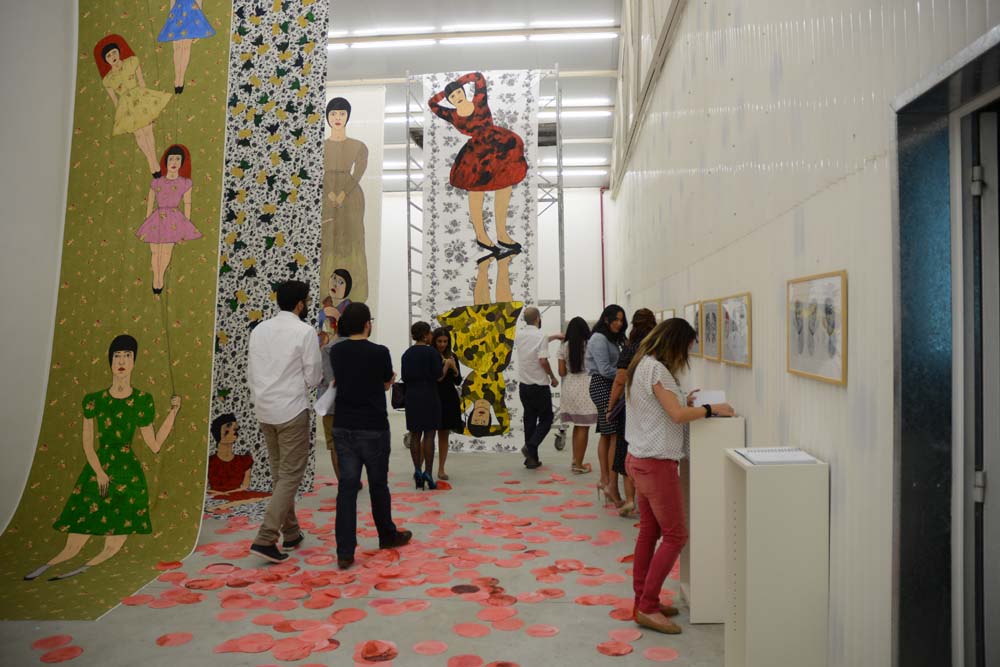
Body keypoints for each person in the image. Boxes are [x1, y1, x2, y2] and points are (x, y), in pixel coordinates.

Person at [24, 335, 180, 581]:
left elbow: (154, 445)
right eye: (117, 356)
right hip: (99, 467)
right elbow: (88, 444)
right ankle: (45, 567)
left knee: (113, 544)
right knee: (74, 541)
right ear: (110, 361)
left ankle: (78, 571)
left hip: (129, 476)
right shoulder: (94, 400)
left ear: (134, 362)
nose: (122, 361)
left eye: (127, 356)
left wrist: (173, 412)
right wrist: (99, 472)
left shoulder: (142, 400)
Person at [624, 318, 735, 634]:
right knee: (675, 536)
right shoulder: (657, 370)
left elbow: (659, 408)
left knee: (649, 532)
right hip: (655, 464)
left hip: (639, 458)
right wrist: (712, 409)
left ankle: (643, 600)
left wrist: (683, 402)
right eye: (687, 348)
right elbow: (676, 415)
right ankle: (647, 606)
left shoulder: (642, 365)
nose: (686, 355)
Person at [329, 303, 412, 569]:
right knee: (378, 485)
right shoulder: (380, 352)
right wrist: (387, 382)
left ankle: (345, 551)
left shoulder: (337, 351)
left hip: (344, 425)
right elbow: (386, 382)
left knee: (347, 489)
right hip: (373, 426)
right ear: (367, 324)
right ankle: (386, 535)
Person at [246, 280, 323, 563]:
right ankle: (266, 537)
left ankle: (291, 532)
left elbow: (252, 370)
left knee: (281, 474)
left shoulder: (259, 330)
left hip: (264, 409)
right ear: (300, 304)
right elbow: (314, 376)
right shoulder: (304, 331)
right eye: (308, 300)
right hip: (291, 409)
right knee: (290, 475)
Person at [428, 72, 528, 260]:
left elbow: (478, 77)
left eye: (459, 92)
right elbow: (432, 104)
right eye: (453, 96)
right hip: (476, 153)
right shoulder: (451, 114)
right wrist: (446, 91)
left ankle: (502, 234)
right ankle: (481, 235)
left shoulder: (479, 100)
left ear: (463, 91)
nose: (457, 96)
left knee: (505, 184)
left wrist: (458, 82)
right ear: (449, 100)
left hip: (497, 144)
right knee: (475, 190)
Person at [94, 35, 172, 176]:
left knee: (148, 131)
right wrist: (122, 117)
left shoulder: (131, 62)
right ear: (106, 60)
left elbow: (141, 82)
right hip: (126, 106)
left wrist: (148, 104)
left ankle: (154, 160)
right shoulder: (108, 79)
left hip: (139, 97)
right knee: (139, 135)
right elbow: (114, 100)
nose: (113, 57)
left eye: (114, 52)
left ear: (119, 52)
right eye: (108, 56)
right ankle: (151, 163)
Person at [606, 308, 657, 517]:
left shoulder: (630, 348)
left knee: (627, 449)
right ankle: (651, 499)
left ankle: (629, 500)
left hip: (632, 405)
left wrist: (610, 406)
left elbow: (620, 380)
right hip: (654, 405)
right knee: (649, 451)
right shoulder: (657, 347)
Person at [136, 145, 202, 294]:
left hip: (174, 219)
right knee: (155, 252)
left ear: (182, 162)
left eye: (178, 159)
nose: (174, 162)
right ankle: (156, 277)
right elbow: (150, 202)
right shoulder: (157, 182)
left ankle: (160, 277)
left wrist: (185, 225)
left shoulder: (185, 183)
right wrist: (147, 219)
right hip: (156, 218)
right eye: (171, 159)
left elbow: (187, 203)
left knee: (166, 252)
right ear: (165, 161)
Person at [323, 98, 370, 304]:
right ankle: (325, 292)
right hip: (325, 196)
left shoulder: (358, 146)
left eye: (342, 113)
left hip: (352, 197)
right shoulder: (320, 146)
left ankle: (355, 293)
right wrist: (328, 193)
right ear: (327, 117)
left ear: (348, 116)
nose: (337, 118)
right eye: (333, 113)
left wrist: (343, 193)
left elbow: (359, 171)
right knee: (327, 240)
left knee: (353, 239)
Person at [586, 305, 628, 506]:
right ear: (606, 319)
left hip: (610, 386)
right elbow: (604, 369)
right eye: (616, 319)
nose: (619, 323)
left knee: (606, 433)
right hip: (603, 386)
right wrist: (626, 375)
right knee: (613, 435)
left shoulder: (611, 338)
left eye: (621, 320)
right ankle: (611, 485)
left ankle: (605, 481)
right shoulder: (599, 339)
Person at [515, 307, 560, 469]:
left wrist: (554, 337)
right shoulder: (541, 335)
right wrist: (552, 377)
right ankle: (531, 446)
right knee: (547, 419)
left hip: (524, 386)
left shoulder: (519, 335)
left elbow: (535, 343)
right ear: (538, 318)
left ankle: (531, 460)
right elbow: (543, 360)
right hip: (539, 386)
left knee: (530, 420)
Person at [402, 321, 445, 489]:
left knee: (415, 434)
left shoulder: (407, 354)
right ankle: (428, 472)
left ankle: (417, 470)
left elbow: (405, 377)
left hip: (412, 397)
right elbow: (438, 375)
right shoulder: (432, 353)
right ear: (426, 335)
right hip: (430, 396)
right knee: (429, 435)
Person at [206, 413, 271, 513]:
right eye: (228, 427)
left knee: (268, 497)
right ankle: (223, 506)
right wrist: (218, 494)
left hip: (238, 495)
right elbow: (204, 487)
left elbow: (244, 487)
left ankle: (225, 506)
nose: (233, 431)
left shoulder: (244, 461)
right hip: (216, 496)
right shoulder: (209, 462)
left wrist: (228, 494)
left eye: (235, 428)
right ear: (217, 432)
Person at [557, 317, 598, 474]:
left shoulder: (564, 346)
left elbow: (561, 372)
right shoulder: (590, 345)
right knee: (583, 427)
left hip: (569, 387)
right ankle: (578, 465)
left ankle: (575, 460)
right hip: (585, 387)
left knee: (577, 425)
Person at [156, 0, 216, 93]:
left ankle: (181, 79)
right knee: (177, 48)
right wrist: (171, 16)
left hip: (191, 13)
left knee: (186, 48)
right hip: (177, 12)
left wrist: (199, 21)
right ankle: (177, 78)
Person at [433, 327, 463, 480]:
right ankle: (421, 467)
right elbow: (437, 378)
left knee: (444, 434)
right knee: (429, 434)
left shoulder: (452, 356)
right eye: (439, 341)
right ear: (434, 341)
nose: (442, 344)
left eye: (445, 341)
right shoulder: (431, 355)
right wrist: (446, 366)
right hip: (433, 397)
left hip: (448, 398)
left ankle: (441, 469)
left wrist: (455, 368)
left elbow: (458, 380)